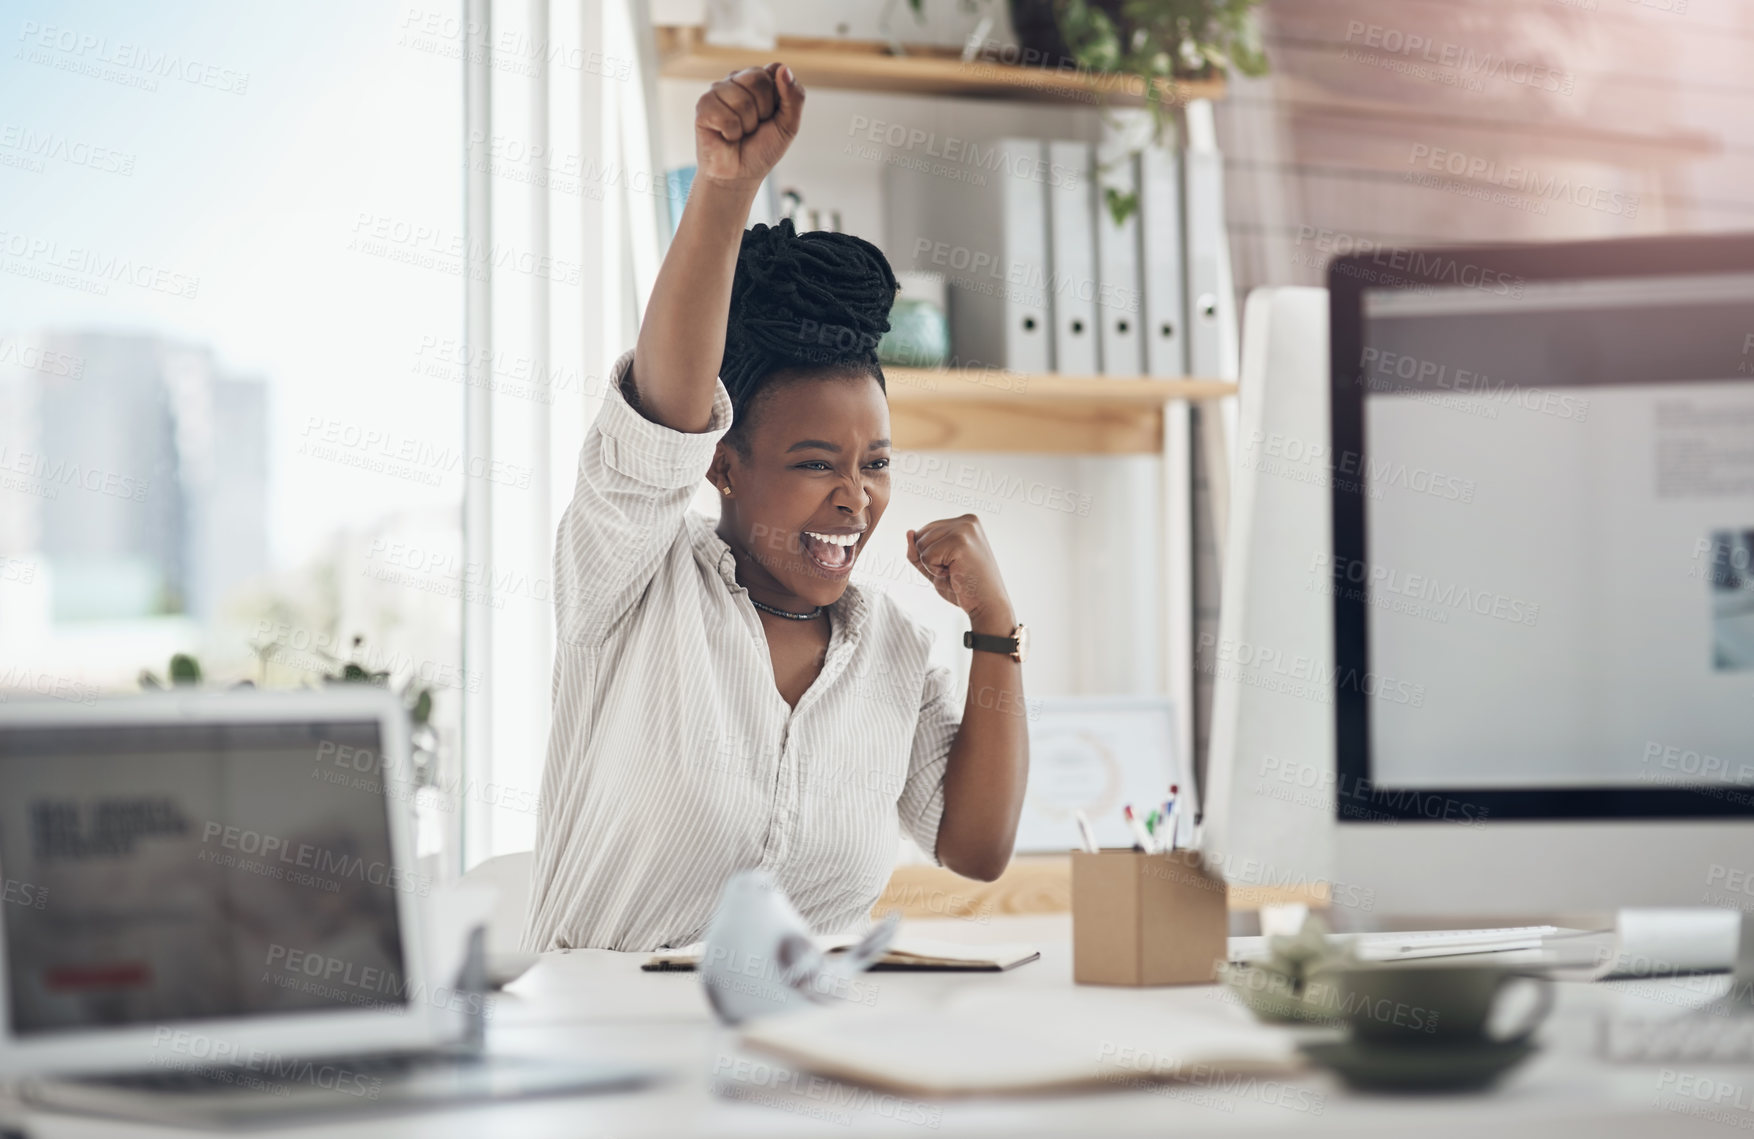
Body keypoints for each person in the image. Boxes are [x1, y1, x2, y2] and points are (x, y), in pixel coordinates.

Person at [524, 62, 1028, 952]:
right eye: (813, 462)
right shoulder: (631, 583)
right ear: (723, 463)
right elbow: (658, 422)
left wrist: (994, 622)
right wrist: (727, 189)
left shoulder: (893, 654)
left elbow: (976, 848)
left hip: (815, 1058)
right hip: (604, 1055)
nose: (855, 495)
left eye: (875, 462)